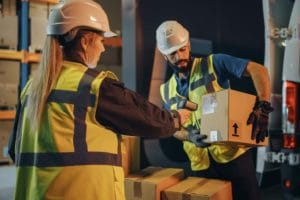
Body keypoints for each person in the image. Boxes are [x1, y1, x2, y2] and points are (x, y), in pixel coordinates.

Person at [8, 3, 191, 200]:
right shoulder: (94, 86)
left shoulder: (31, 88)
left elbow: (14, 150)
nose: (103, 48)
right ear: (85, 42)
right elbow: (147, 119)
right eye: (102, 41)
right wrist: (175, 118)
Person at [156, 20, 274, 200]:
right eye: (172, 53)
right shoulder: (166, 90)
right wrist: (189, 136)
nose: (180, 56)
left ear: (188, 45)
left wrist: (263, 105)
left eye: (182, 49)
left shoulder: (213, 64)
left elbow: (259, 71)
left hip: (233, 158)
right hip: (201, 166)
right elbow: (173, 127)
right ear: (164, 56)